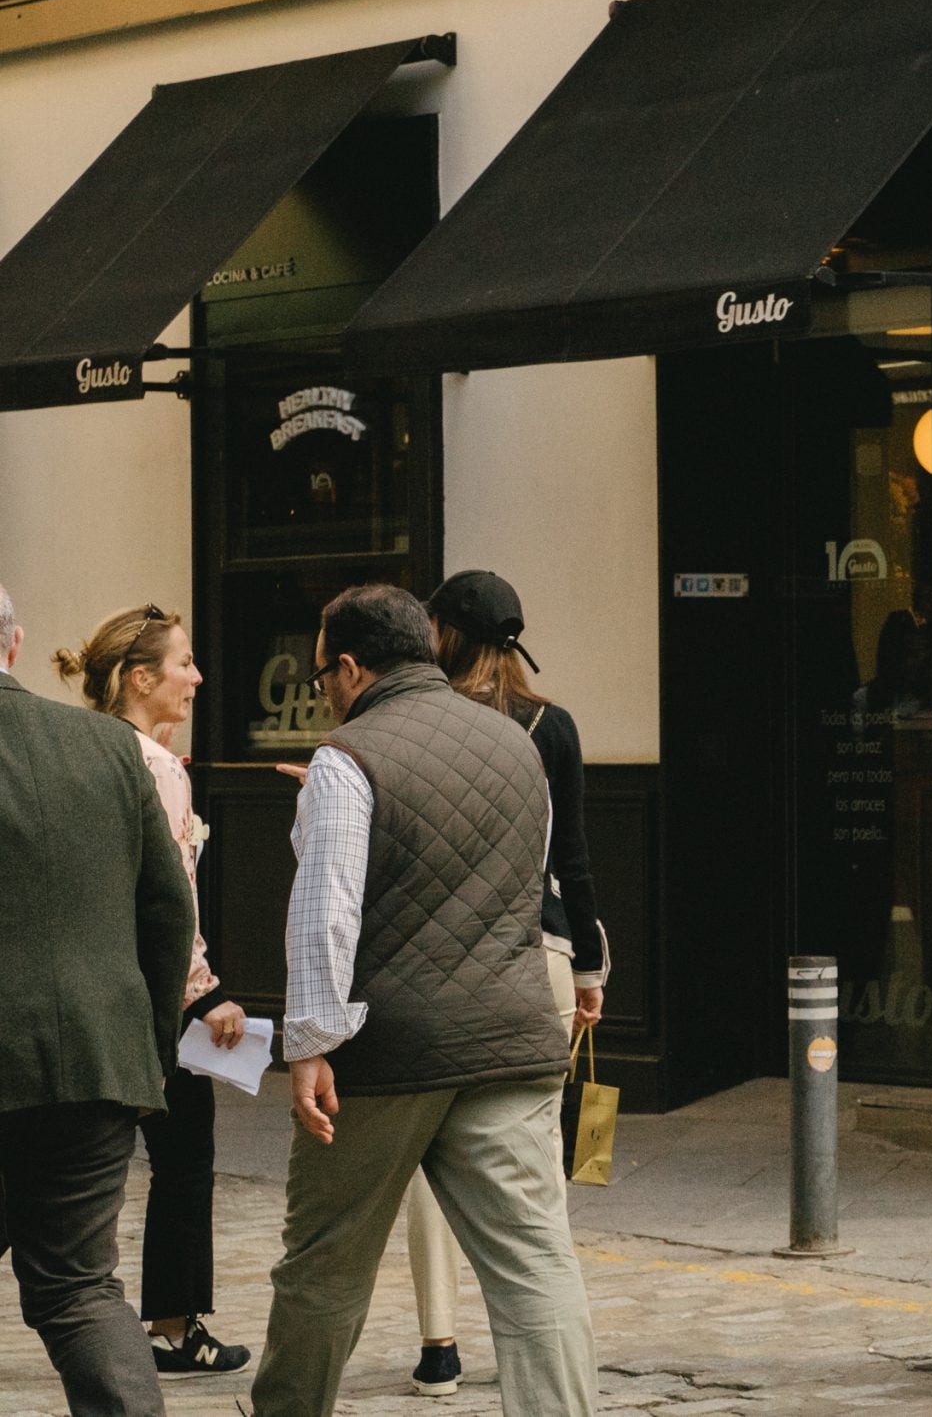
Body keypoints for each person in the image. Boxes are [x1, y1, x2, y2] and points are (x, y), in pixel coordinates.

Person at [249, 584, 595, 1417]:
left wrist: (310, 1043)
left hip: (387, 1054)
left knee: (325, 1265)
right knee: (536, 1266)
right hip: (512, 1036)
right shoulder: (519, 746)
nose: (324, 692)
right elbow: (530, 883)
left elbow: (327, 910)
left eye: (323, 674)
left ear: (349, 666)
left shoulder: (347, 758)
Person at [386, 570, 610, 1396]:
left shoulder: (414, 721)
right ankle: (550, 1341)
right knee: (536, 1154)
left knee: (427, 1151)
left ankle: (438, 1344)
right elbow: (573, 860)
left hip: (431, 957)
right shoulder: (551, 726)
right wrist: (588, 969)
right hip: (538, 951)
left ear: (441, 632)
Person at [0, 580, 197, 1417]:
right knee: (80, 1289)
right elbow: (169, 912)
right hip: (94, 1057)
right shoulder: (109, 748)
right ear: (12, 645)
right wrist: (146, 1049)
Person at [52, 607, 254, 1375]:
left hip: (85, 987)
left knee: (57, 1160)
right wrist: (204, 994)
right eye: (184, 663)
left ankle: (170, 1322)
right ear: (141, 678)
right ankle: (176, 1326)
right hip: (153, 999)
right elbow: (172, 901)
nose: (197, 677)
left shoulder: (80, 750)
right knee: (183, 1159)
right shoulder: (160, 769)